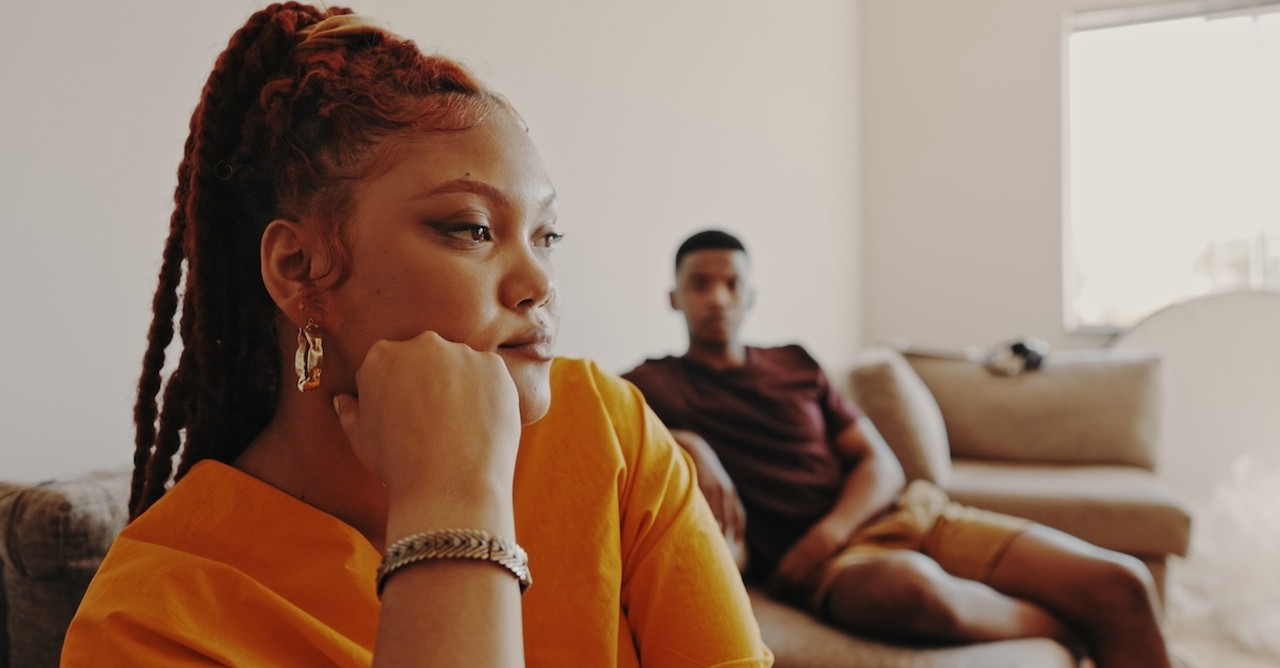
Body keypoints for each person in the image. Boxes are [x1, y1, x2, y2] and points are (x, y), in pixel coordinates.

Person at [61, 7, 772, 667]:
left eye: (547, 234)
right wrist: (453, 501)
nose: (540, 281)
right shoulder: (148, 618)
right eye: (471, 229)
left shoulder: (606, 425)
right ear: (300, 269)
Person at [622, 229, 1174, 668]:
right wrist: (690, 440)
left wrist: (828, 531)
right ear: (675, 296)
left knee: (1122, 583)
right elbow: (600, 419)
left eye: (732, 284)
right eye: (700, 284)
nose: (718, 298)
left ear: (752, 295)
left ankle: (1094, 623)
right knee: (909, 590)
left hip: (917, 516)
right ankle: (1076, 631)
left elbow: (879, 463)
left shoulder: (795, 362)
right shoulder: (653, 385)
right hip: (836, 569)